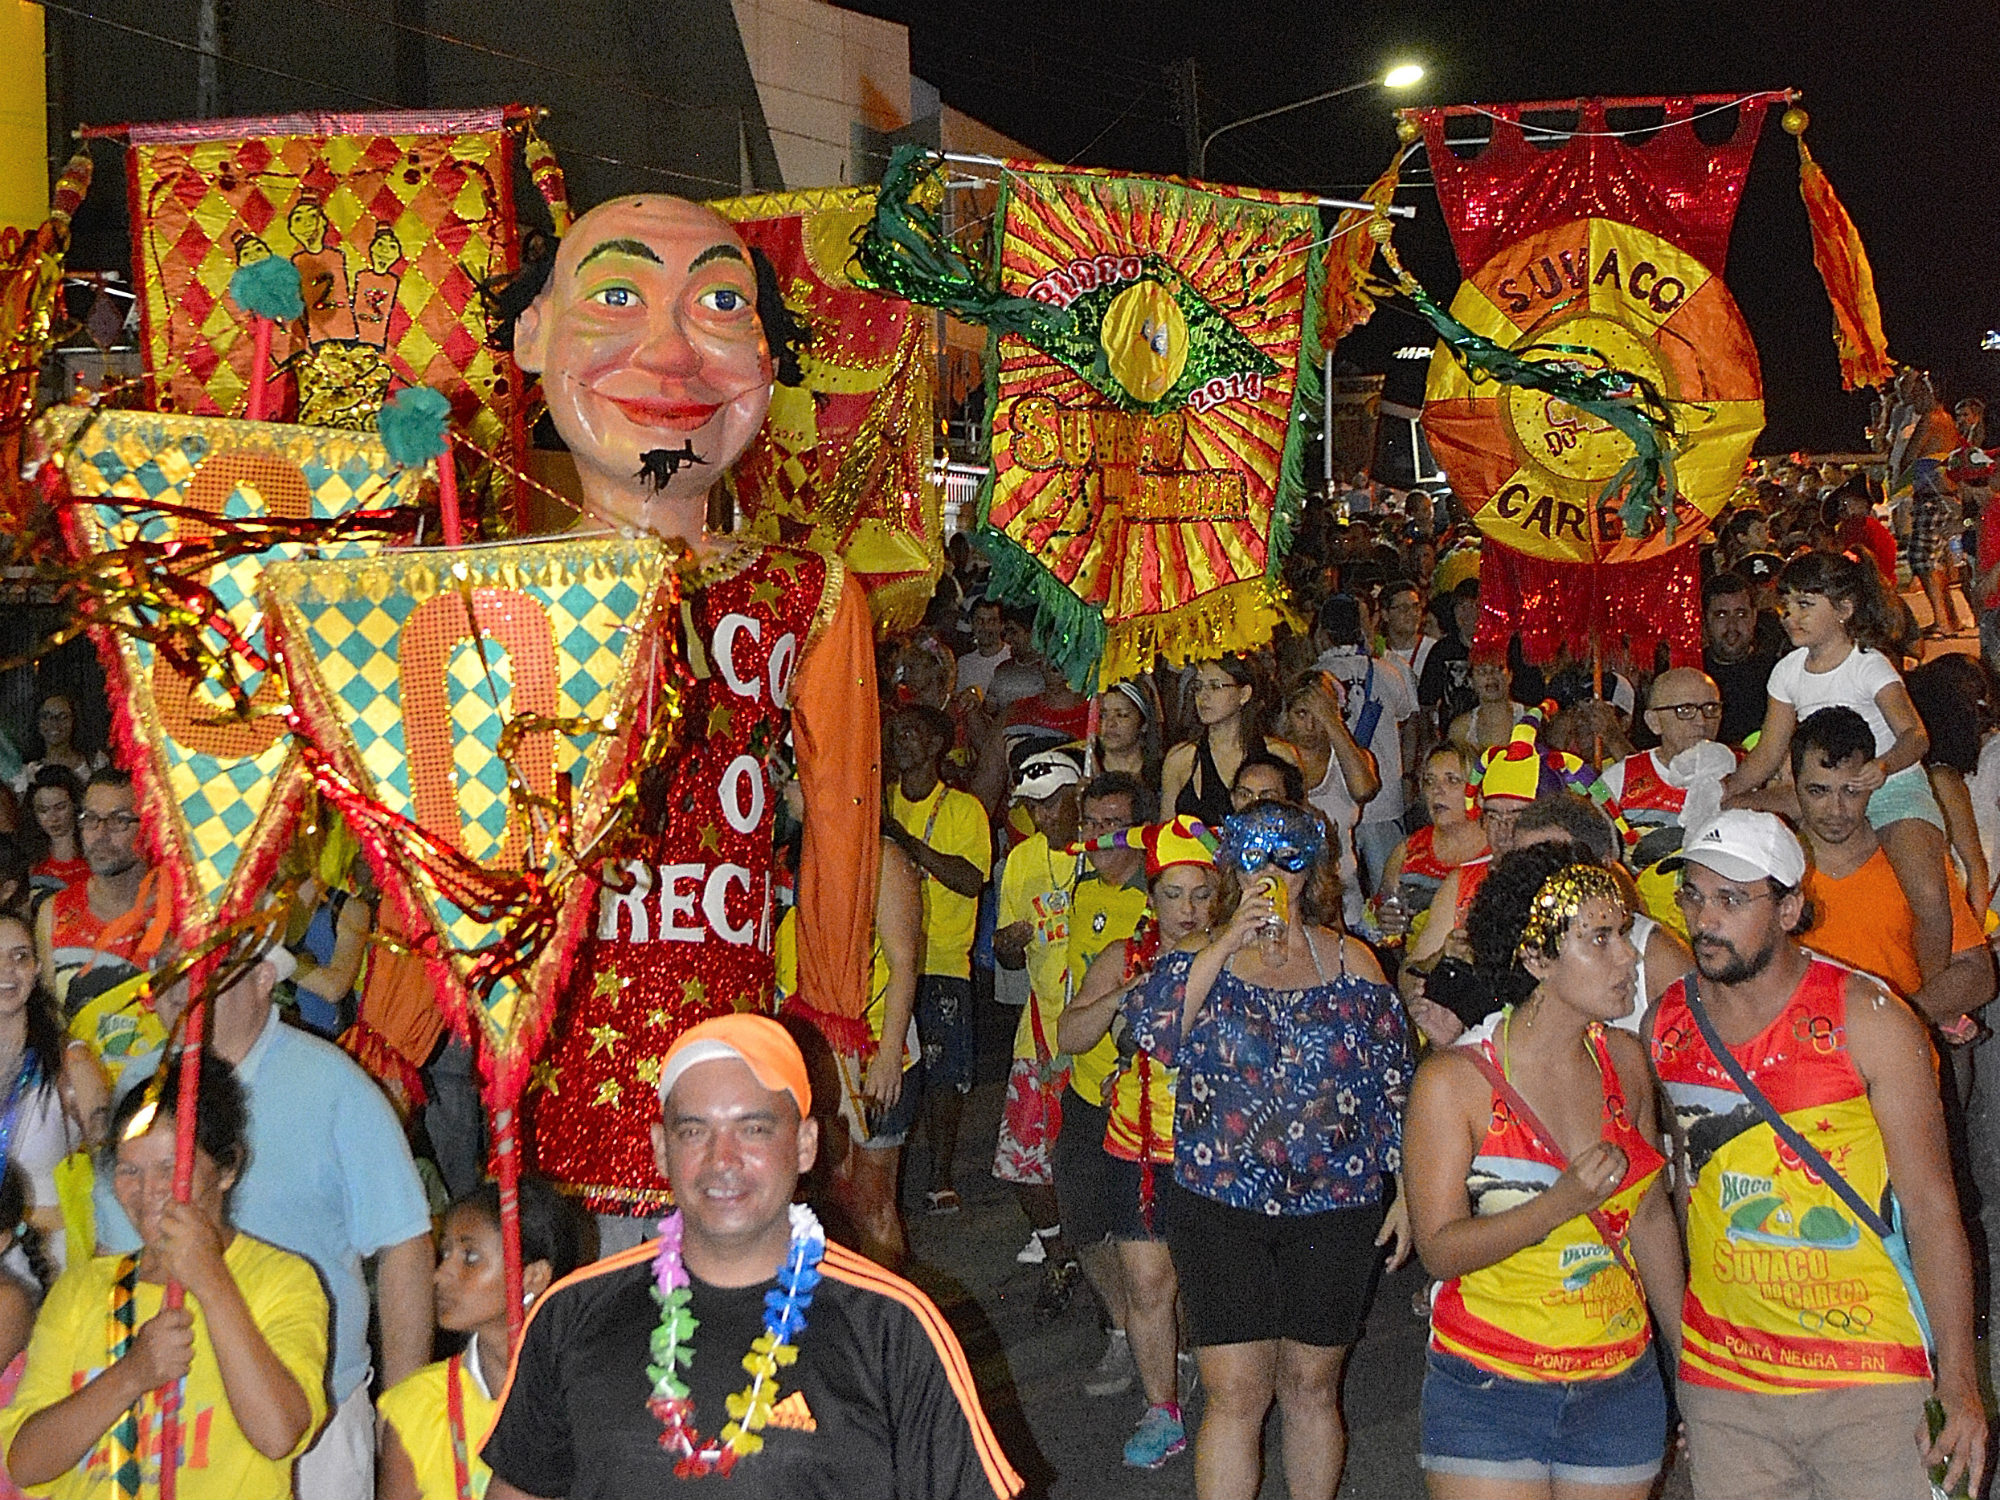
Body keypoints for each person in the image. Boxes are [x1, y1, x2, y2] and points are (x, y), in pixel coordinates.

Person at [507, 192, 881, 1231]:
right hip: (545, 1069)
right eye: (617, 294)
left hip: (730, 1065)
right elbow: (432, 829)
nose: (672, 356)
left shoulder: (808, 593)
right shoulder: (493, 593)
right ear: (532, 334)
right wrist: (394, 1034)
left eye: (720, 303)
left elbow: (842, 818)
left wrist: (833, 1017)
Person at [481, 1014, 1023, 1499]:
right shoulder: (571, 1315)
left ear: (807, 1144)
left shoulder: (891, 1325)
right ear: (660, 1149)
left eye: (754, 1129)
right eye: (695, 1131)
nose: (723, 1160)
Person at [1648, 811, 1986, 1499]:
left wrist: (1960, 1382)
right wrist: (1690, 1372)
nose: (1705, 919)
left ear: (1791, 907)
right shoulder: (1667, 1023)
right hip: (1729, 1383)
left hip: (1869, 1372)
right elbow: (1689, 1193)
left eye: (1732, 899)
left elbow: (1930, 1205)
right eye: (1693, 895)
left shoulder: (1869, 1018)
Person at [1129, 800, 1411, 1500]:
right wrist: (1227, 940)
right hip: (1220, 1203)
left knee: (1312, 1387)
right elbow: (1155, 1035)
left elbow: (1395, 1081)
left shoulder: (1354, 960)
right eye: (1257, 860)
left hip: (1336, 1204)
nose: (1273, 876)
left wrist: (1409, 1189)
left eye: (1289, 861)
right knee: (1235, 1393)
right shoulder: (1197, 959)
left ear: (1313, 872)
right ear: (1233, 870)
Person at [93, 939, 433, 1499]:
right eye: (172, 971)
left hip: (313, 1424)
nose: (186, 990)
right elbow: (113, 1257)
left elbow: (405, 1248)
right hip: (169, 1416)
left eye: (212, 969)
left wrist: (403, 1425)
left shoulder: (335, 1085)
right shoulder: (140, 1086)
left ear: (263, 978)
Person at [1406, 845, 1685, 1499]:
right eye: (1601, 939)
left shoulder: (1624, 1059)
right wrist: (1556, 1204)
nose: (1629, 958)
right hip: (1488, 1385)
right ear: (1534, 957)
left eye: (1624, 934)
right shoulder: (1455, 1084)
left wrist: (1688, 1361)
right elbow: (1440, 1250)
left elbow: (1647, 1215)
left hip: (1621, 1382)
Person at [0, 1049, 329, 1497]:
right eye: (128, 1170)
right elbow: (25, 1463)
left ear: (227, 1168)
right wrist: (132, 1375)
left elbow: (278, 1436)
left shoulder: (283, 1281)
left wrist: (211, 1282)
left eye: (169, 1169)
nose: (147, 1191)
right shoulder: (83, 1288)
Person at [1057, 816, 1222, 1469]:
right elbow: (1070, 1035)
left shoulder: (1236, 957)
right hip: (1140, 1146)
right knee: (1149, 1285)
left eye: (1201, 893)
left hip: (1218, 1149)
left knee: (1211, 1282)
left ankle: (1230, 1396)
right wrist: (1128, 992)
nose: (1187, 909)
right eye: (1173, 894)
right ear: (1151, 897)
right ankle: (1163, 1409)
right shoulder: (1122, 956)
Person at [1723, 551, 1956, 990]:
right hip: (1820, 790)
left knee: (1928, 894)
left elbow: (1915, 735)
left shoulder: (1868, 665)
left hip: (1891, 787)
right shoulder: (1787, 672)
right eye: (1786, 605)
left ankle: (1935, 991)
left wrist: (1882, 767)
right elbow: (1769, 750)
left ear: (1844, 609)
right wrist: (1726, 791)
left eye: (1806, 605)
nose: (1791, 616)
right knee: (1738, 811)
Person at [377, 1177, 588, 1500]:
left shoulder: (592, 1394)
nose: (440, 1274)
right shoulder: (418, 1405)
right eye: (445, 1252)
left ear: (533, 1276)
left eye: (470, 1257)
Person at [1790, 707, 1995, 1026]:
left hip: (1898, 1062)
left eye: (1852, 790)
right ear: (1794, 783)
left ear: (1875, 781)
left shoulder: (1910, 863)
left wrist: (1885, 1025)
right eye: (1818, 791)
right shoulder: (1773, 865)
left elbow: (1977, 973)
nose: (1836, 809)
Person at [775, 824, 922, 1269]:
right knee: (830, 1195)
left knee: (871, 1202)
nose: (786, 788)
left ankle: (887, 1322)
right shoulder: (791, 854)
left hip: (871, 1048)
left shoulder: (880, 859)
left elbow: (904, 963)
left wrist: (889, 1056)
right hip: (807, 1051)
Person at [1048, 775, 1153, 1328]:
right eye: (1091, 824)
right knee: (1084, 1226)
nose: (1099, 837)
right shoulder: (1082, 887)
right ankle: (1122, 1327)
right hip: (1081, 1084)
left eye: (1115, 825)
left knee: (1147, 1237)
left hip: (1134, 1093)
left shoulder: (1155, 899)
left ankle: (1167, 1343)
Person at [884, 706, 991, 1215]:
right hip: (884, 964)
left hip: (943, 959)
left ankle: (941, 1175)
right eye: (897, 732)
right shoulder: (881, 801)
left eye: (913, 733)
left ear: (937, 747)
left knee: (942, 1074)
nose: (901, 740)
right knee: (891, 1068)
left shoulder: (963, 809)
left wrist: (908, 846)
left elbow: (972, 880)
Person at [990, 749, 1083, 1278]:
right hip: (1041, 1032)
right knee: (1023, 1163)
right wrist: (1007, 942)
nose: (1044, 817)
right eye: (1033, 808)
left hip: (1099, 1035)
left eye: (1052, 804)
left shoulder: (1102, 852)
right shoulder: (1023, 861)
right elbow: (1007, 951)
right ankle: (1058, 1250)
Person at [0, 913, 97, 1272]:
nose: (7, 969)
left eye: (19, 956)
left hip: (43, 1265)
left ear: (37, 969)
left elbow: (111, 1169)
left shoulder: (72, 1062)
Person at [35, 771, 173, 1017]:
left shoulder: (179, 914)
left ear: (150, 827)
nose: (100, 833)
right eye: (90, 819)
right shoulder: (53, 914)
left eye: (118, 820)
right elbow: (54, 1021)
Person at [1312, 595, 1419, 893]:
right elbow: (1410, 721)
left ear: (1322, 633)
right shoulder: (1388, 671)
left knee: (1340, 891)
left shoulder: (1312, 680)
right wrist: (1408, 776)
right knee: (1392, 887)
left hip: (1333, 805)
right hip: (1384, 799)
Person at [1278, 673, 1379, 923]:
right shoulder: (1274, 758)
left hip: (1345, 901)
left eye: (1319, 714)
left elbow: (1364, 790)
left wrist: (1331, 721)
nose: (1311, 725)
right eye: (1302, 714)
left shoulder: (1355, 759)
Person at [1161, 656, 1299, 827]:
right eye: (1198, 687)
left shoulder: (1278, 753)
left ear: (1244, 694)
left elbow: (1299, 827)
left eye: (1215, 686)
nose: (1203, 696)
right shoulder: (1181, 759)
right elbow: (1164, 836)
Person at [1904, 654, 1995, 914]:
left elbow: (1975, 868)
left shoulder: (1941, 778)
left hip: (1940, 916)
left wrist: (1971, 938)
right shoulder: (1937, 777)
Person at [1373, 745, 1488, 942]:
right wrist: (1383, 919)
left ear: (1476, 790)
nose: (1437, 790)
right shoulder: (1407, 850)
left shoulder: (1496, 850)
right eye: (1429, 781)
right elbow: (1379, 914)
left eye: (1452, 780)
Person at [1703, 571, 1783, 748]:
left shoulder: (1778, 674)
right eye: (1721, 615)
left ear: (1754, 617)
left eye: (1740, 614)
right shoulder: (1691, 673)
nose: (1732, 626)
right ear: (1705, 620)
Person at [9, 697, 105, 798]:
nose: (54, 723)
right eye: (46, 716)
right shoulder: (26, 770)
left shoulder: (95, 762)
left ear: (75, 721)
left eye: (63, 717)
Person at [20, 768, 86, 895]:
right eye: (43, 810)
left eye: (60, 807)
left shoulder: (94, 849)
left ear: (75, 804)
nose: (53, 818)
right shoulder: (28, 857)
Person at [1448, 659, 1526, 759]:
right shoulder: (1460, 729)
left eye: (1498, 669)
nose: (1490, 676)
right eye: (1482, 671)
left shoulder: (1532, 717)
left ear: (1510, 675)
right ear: (1471, 681)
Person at [1092, 680, 1160, 788]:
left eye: (1121, 715)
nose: (1110, 723)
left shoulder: (1163, 775)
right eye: (1102, 715)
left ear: (1144, 723)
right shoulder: (1081, 769)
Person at [955, 596, 1011, 701]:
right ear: (971, 623)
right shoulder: (964, 664)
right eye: (980, 621)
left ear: (1002, 625)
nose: (986, 627)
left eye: (992, 621)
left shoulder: (1011, 658)